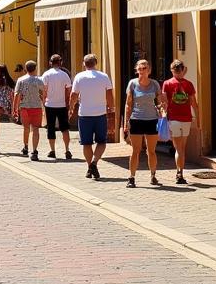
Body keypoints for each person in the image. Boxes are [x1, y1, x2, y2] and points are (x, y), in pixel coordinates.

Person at [68, 53, 114, 181]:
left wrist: (71, 108)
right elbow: (109, 93)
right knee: (102, 142)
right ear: (96, 63)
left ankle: (90, 167)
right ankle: (94, 163)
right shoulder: (104, 76)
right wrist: (112, 107)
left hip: (84, 114)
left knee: (86, 143)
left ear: (84, 64)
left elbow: (73, 95)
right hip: (100, 113)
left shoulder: (79, 77)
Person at [122, 58, 163, 188]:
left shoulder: (155, 84)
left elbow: (159, 101)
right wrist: (126, 122)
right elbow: (128, 104)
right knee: (136, 150)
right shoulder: (132, 84)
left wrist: (162, 111)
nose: (142, 70)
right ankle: (131, 177)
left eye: (144, 68)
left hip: (151, 119)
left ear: (149, 70)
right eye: (139, 68)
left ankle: (153, 175)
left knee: (151, 151)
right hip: (136, 119)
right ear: (136, 70)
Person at [162, 59, 199, 186]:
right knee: (182, 148)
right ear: (183, 70)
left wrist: (163, 115)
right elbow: (194, 103)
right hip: (186, 118)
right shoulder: (189, 84)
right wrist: (198, 119)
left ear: (172, 70)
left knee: (178, 149)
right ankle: (180, 173)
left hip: (173, 119)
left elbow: (164, 103)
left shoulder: (167, 84)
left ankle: (179, 173)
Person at [13, 60, 47, 161]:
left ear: (26, 69)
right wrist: (43, 102)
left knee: (26, 128)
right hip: (36, 107)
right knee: (36, 129)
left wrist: (15, 108)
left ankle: (25, 146)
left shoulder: (21, 80)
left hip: (24, 108)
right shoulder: (39, 80)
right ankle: (35, 151)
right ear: (35, 69)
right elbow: (44, 92)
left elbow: (16, 94)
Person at [41, 54, 73, 160]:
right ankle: (67, 150)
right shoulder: (64, 75)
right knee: (65, 128)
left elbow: (44, 90)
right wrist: (68, 103)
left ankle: (52, 150)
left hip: (49, 104)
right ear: (61, 62)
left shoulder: (46, 74)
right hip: (62, 105)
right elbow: (69, 91)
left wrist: (43, 102)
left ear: (50, 63)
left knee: (50, 128)